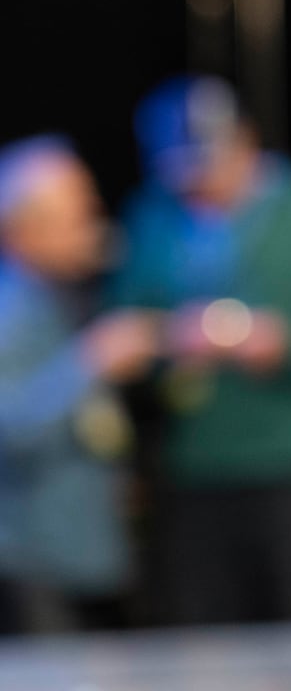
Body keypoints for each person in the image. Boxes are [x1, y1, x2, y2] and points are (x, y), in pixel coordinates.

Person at [107, 74, 291, 629]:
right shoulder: (152, 218)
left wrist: (288, 341)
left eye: (211, 165)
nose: (199, 185)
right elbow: (123, 323)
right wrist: (167, 338)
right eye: (183, 172)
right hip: (197, 466)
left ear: (245, 141)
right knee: (210, 633)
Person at [0, 136, 160, 633]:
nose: (93, 225)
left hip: (84, 556)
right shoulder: (11, 312)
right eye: (74, 215)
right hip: (33, 561)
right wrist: (91, 362)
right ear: (23, 230)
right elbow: (9, 428)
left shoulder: (68, 297)